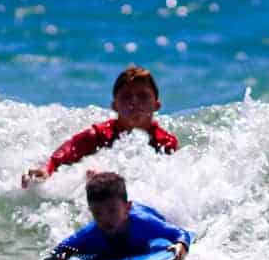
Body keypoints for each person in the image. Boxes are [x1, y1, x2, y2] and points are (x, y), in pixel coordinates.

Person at [22, 66, 178, 188]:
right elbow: (58, 159)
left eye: (143, 96)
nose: (134, 102)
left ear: (156, 105)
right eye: (126, 96)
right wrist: (44, 171)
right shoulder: (97, 135)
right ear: (114, 106)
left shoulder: (166, 142)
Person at [43, 171, 192, 260]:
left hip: (149, 221)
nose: (105, 219)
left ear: (127, 208)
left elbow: (180, 233)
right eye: (97, 213)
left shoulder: (144, 223)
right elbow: (60, 250)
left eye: (112, 211)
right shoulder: (90, 233)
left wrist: (181, 245)